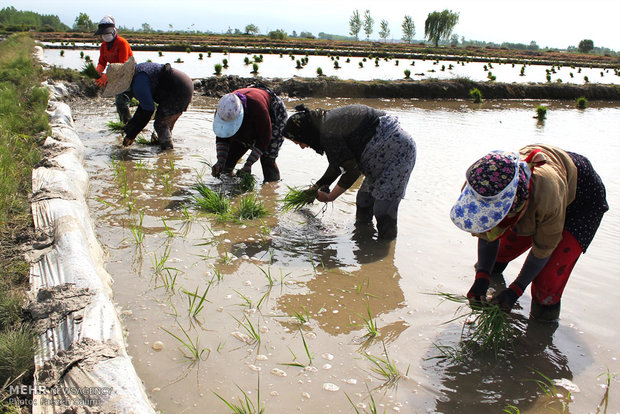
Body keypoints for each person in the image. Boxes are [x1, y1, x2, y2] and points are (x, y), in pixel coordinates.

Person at [450, 144, 608, 320]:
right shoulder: (480, 181)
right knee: (497, 258)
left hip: (581, 201)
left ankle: (540, 334)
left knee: (546, 288)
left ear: (515, 208)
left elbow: (543, 248)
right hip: (544, 189)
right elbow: (487, 231)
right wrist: (482, 276)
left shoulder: (545, 196)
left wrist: (516, 290)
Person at [282, 104, 416, 240]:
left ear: (306, 133)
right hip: (376, 160)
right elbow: (338, 164)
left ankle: (384, 251)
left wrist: (330, 197)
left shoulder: (328, 131)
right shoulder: (326, 125)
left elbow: (352, 171)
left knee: (383, 211)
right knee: (364, 201)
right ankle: (363, 241)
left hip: (397, 155)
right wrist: (315, 188)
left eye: (299, 142)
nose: (303, 147)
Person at [102, 56, 194, 150]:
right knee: (165, 125)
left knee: (161, 124)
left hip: (179, 89)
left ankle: (167, 154)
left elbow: (148, 111)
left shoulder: (139, 83)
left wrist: (132, 135)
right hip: (181, 82)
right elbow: (143, 106)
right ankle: (164, 147)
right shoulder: (138, 72)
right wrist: (130, 126)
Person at [211, 86, 288, 182]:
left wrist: (248, 165)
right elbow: (222, 135)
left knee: (267, 160)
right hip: (250, 115)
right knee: (228, 162)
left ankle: (272, 187)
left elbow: (264, 140)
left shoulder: (258, 109)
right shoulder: (223, 109)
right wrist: (220, 161)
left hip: (274, 114)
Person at [93, 15, 134, 124]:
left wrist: (107, 76)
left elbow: (122, 65)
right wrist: (96, 73)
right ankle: (125, 125)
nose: (105, 36)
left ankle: (129, 126)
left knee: (121, 101)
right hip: (116, 76)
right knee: (119, 103)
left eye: (107, 33)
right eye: (103, 34)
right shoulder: (103, 46)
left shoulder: (122, 43)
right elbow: (102, 63)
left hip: (128, 74)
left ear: (113, 31)